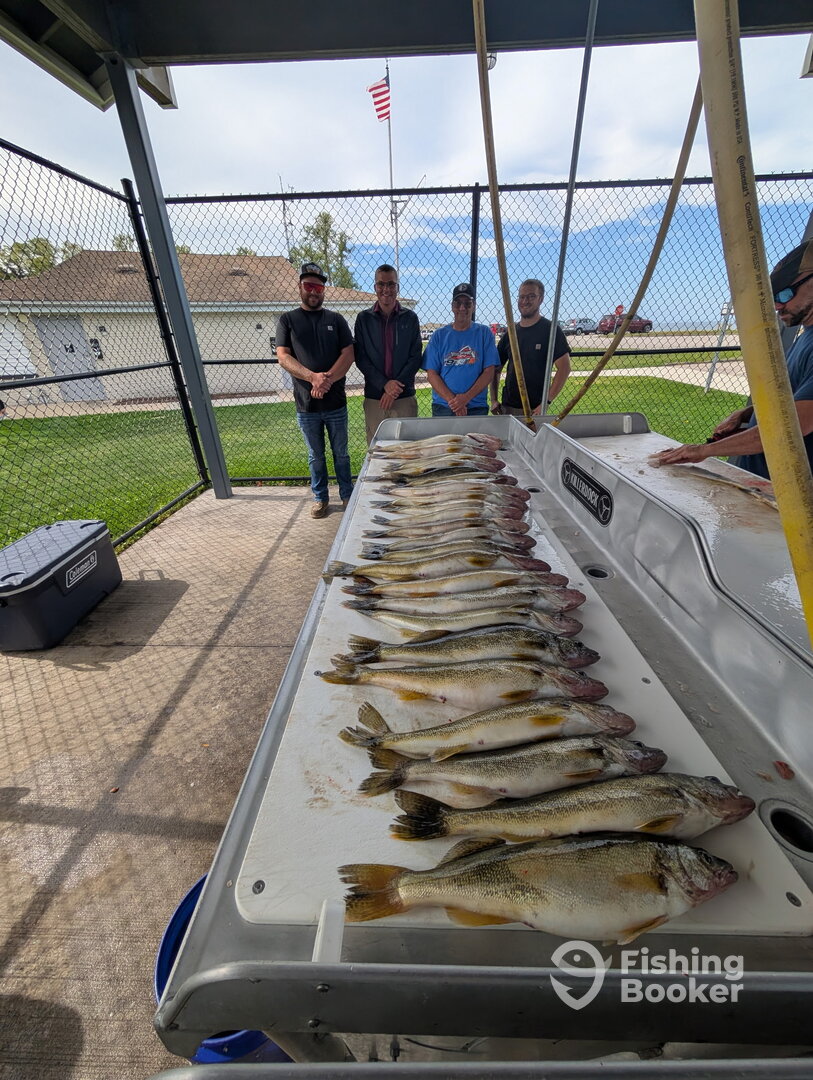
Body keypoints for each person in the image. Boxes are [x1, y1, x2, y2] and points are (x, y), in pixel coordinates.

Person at [653, 239, 813, 479]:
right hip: (766, 483)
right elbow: (795, 401)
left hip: (795, 494)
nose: (777, 305)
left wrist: (704, 451)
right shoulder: (805, 337)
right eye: (773, 297)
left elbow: (794, 426)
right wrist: (747, 414)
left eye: (785, 293)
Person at [276, 262, 355, 518]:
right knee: (316, 456)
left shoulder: (336, 319)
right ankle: (320, 498)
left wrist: (325, 380)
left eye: (319, 287)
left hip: (336, 403)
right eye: (309, 286)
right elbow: (283, 356)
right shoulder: (288, 320)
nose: (314, 291)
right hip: (306, 405)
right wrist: (312, 378)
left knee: (341, 454)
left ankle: (347, 495)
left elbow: (348, 354)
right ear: (300, 287)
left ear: (324, 291)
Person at [353, 264, 423, 443]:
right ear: (375, 287)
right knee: (378, 450)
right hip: (375, 398)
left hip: (404, 396)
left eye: (391, 284)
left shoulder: (410, 318)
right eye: (381, 284)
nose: (386, 289)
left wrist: (393, 390)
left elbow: (415, 357)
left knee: (407, 449)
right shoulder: (363, 319)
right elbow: (361, 358)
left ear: (397, 287)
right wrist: (384, 384)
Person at [490, 278, 571, 416]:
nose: (525, 301)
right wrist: (493, 399)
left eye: (531, 296)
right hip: (508, 406)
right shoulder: (511, 333)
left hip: (535, 409)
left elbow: (564, 368)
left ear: (541, 299)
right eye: (522, 297)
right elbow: (495, 368)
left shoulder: (551, 330)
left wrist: (546, 402)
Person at [422, 283, 500, 417]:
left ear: (474, 306)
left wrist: (465, 398)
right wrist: (454, 401)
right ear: (452, 306)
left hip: (476, 406)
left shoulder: (484, 333)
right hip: (444, 406)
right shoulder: (439, 335)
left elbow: (489, 372)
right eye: (458, 303)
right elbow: (432, 374)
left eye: (467, 304)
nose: (462, 308)